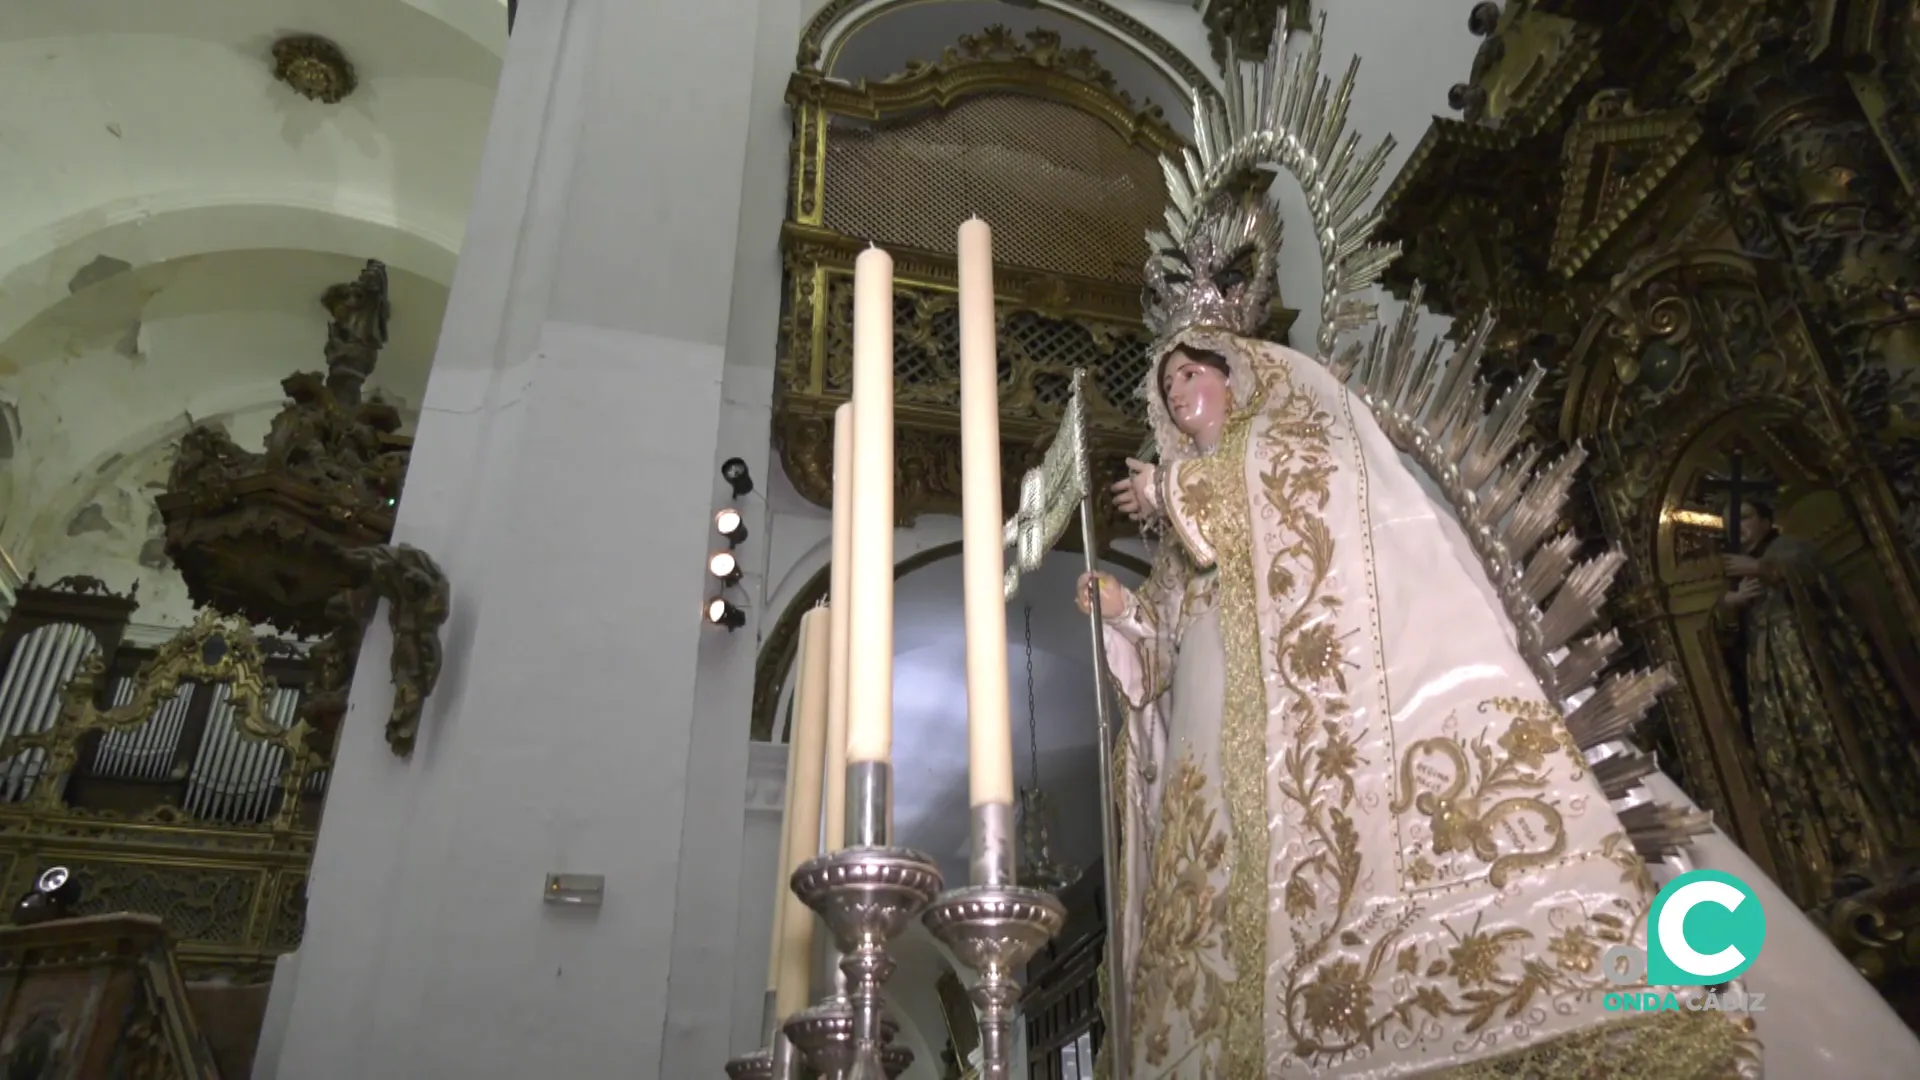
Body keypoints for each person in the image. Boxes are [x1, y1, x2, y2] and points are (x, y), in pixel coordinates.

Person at [1718, 499, 1920, 903]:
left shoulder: (1792, 551)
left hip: (1819, 675)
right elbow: (1726, 644)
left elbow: (1820, 585)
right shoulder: (1741, 578)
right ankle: (1839, 860)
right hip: (1774, 680)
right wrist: (1731, 606)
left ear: (1766, 517)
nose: (1738, 529)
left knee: (1839, 745)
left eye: (1745, 517)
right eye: (1730, 524)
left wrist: (1765, 570)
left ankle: (1882, 844)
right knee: (1800, 758)